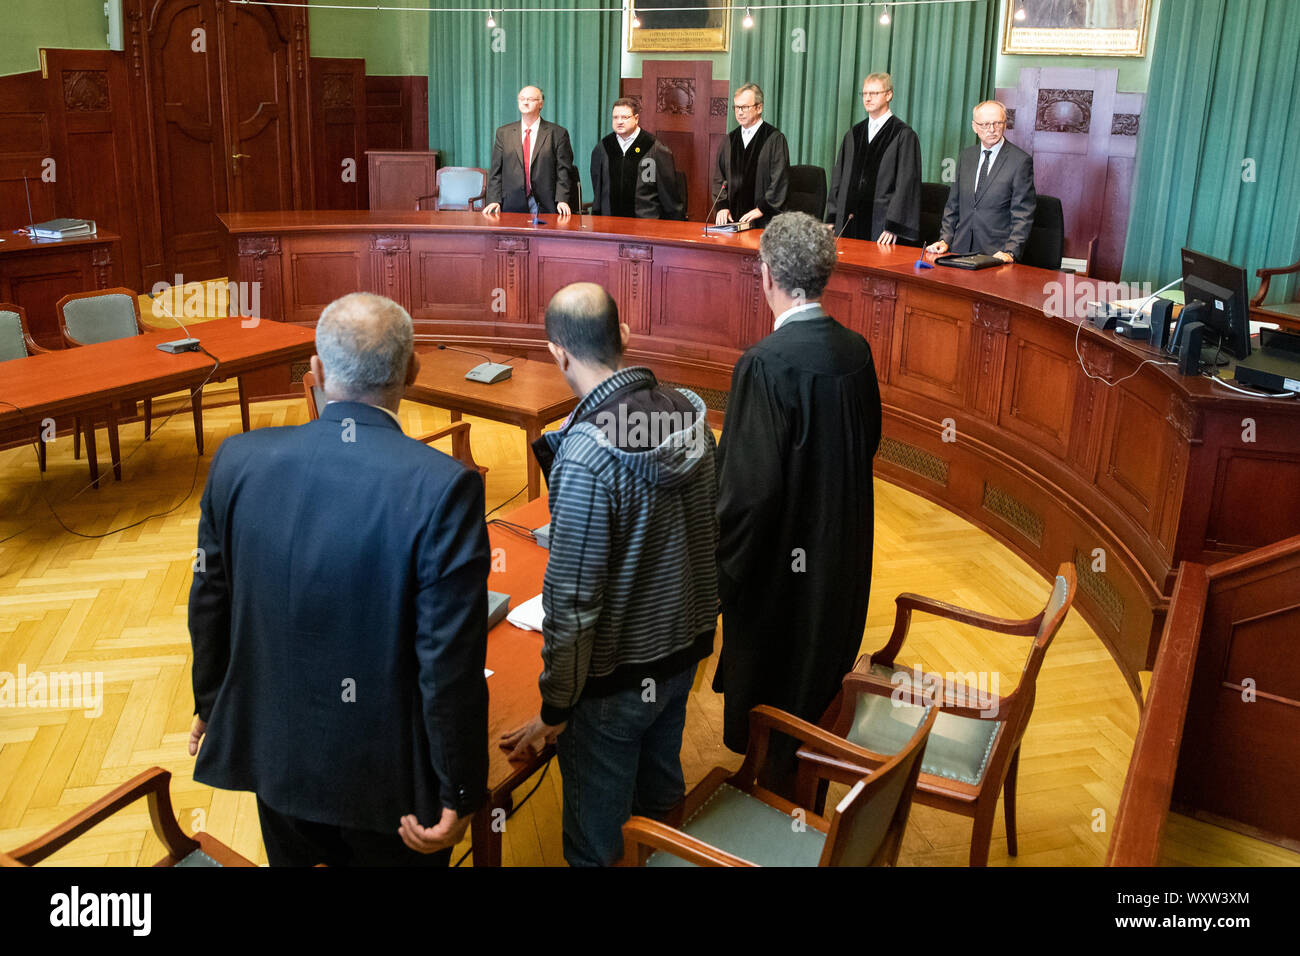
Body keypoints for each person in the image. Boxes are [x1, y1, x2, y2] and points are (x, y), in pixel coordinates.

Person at [188, 292, 491, 866]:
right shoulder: (443, 486)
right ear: (413, 371)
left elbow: (210, 599)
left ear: (318, 372)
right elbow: (447, 659)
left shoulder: (238, 460)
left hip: (272, 753)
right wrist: (459, 786)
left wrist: (213, 703)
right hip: (388, 785)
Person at [501, 282, 719, 867]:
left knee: (595, 847)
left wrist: (553, 711)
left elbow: (571, 608)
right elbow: (698, 532)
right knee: (659, 795)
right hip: (682, 656)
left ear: (558, 353)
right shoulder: (688, 412)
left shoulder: (587, 454)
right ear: (621, 337)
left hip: (615, 683)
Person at [714, 212, 883, 799]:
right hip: (842, 564)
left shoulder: (764, 365)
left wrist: (718, 580)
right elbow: (869, 446)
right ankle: (803, 782)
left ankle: (773, 795)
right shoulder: (857, 352)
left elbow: (746, 496)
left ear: (765, 275)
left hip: (781, 583)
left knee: (777, 691)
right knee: (818, 684)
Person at [926, 100, 1036, 262]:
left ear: (1005, 124)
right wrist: (945, 239)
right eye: (984, 124)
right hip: (959, 249)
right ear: (974, 126)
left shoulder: (1020, 161)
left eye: (997, 123)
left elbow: (1023, 214)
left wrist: (1011, 252)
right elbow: (953, 205)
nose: (991, 130)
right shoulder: (966, 156)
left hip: (996, 253)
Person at [825, 73, 922, 246]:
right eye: (865, 94)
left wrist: (894, 225)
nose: (868, 98)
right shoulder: (853, 134)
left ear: (889, 94)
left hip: (882, 226)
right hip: (847, 222)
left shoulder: (903, 135)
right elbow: (838, 177)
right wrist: (833, 215)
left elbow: (907, 184)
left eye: (874, 93)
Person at [483, 86, 578, 217]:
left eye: (531, 99)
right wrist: (494, 200)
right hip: (511, 204)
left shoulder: (558, 133)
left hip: (546, 204)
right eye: (522, 98)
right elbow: (496, 171)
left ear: (541, 103)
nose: (525, 102)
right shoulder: (503, 133)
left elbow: (564, 170)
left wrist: (562, 199)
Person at [590, 97, 684, 220]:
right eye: (615, 117)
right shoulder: (604, 147)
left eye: (624, 117)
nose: (619, 121)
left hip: (645, 222)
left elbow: (668, 192)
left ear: (636, 118)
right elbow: (598, 187)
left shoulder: (654, 148)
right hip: (609, 222)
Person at [712, 83, 789, 227]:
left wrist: (762, 208)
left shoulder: (774, 139)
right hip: (732, 219)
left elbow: (780, 180)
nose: (739, 112)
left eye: (745, 107)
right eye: (736, 107)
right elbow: (719, 178)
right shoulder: (729, 140)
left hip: (763, 221)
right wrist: (722, 206)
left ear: (759, 107)